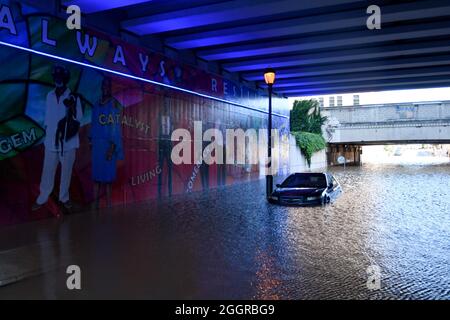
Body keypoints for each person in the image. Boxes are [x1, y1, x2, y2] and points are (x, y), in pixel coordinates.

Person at [33, 65, 83, 211]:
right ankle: (42, 198)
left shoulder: (73, 96)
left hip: (68, 142)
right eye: (56, 77)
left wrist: (72, 107)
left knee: (66, 172)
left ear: (65, 79)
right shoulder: (49, 95)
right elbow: (47, 117)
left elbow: (79, 117)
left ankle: (64, 198)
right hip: (51, 141)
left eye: (60, 77)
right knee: (47, 170)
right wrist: (47, 132)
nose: (58, 80)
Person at [90, 77, 123, 209]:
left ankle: (108, 207)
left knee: (108, 180)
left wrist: (113, 147)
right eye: (103, 85)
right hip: (97, 146)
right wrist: (91, 142)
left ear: (110, 88)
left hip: (109, 145)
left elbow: (115, 128)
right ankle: (95, 206)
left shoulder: (114, 104)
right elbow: (93, 125)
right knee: (96, 178)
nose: (105, 87)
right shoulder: (96, 104)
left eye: (107, 85)